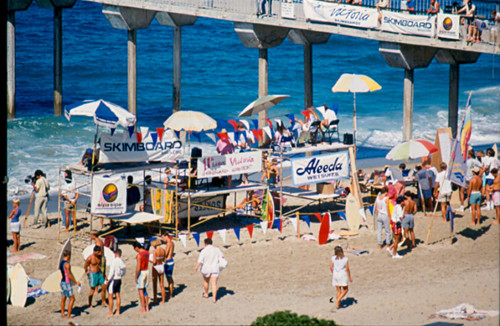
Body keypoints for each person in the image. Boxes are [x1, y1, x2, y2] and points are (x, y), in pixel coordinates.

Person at [194, 238, 225, 303]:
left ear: (205, 243)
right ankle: (214, 298)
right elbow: (222, 256)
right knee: (214, 284)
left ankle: (206, 294)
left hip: (206, 268)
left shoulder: (204, 251)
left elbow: (200, 261)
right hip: (215, 268)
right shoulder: (216, 249)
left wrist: (196, 267)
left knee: (206, 281)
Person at [59, 249, 81, 319]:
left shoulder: (61, 263)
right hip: (66, 283)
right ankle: (68, 315)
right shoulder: (67, 264)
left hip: (62, 282)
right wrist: (76, 282)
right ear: (69, 255)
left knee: (63, 298)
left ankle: (62, 313)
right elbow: (69, 275)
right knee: (72, 299)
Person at [106, 248, 126, 317]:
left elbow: (111, 272)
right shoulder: (121, 261)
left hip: (113, 279)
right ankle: (118, 311)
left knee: (110, 296)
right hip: (119, 279)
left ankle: (111, 312)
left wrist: (107, 281)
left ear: (116, 254)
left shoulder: (114, 261)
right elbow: (124, 270)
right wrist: (121, 275)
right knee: (118, 295)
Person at [134, 241, 150, 313]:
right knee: (145, 290)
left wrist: (136, 276)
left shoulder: (139, 255)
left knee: (140, 290)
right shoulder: (147, 252)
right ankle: (147, 307)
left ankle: (143, 307)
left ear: (136, 247)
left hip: (142, 272)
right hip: (147, 271)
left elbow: (138, 267)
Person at [150, 238, 166, 305]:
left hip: (156, 266)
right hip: (161, 266)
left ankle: (155, 300)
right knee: (162, 284)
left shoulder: (155, 251)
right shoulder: (163, 250)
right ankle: (163, 299)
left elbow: (154, 261)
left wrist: (148, 260)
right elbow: (164, 260)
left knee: (155, 284)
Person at [161, 232, 176, 300]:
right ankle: (170, 292)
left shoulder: (169, 243)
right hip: (170, 260)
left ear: (166, 236)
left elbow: (166, 253)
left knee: (169, 278)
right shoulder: (172, 242)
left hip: (168, 262)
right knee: (169, 278)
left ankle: (170, 294)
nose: (162, 239)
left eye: (163, 237)